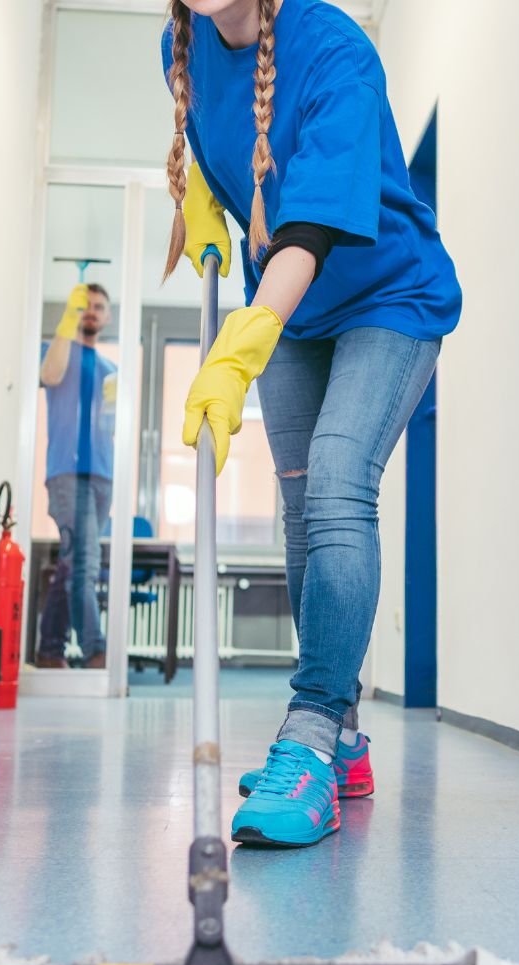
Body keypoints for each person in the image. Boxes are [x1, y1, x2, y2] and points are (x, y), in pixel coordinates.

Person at [162, 0, 462, 846]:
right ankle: (345, 740)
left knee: (337, 481)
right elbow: (239, 160)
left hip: (388, 300)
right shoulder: (179, 47)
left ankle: (311, 731)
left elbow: (312, 225)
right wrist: (213, 209)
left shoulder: (335, 50)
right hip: (296, 315)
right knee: (300, 508)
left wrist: (238, 346)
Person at [37, 283, 118, 669]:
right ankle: (95, 650)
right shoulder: (59, 352)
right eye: (84, 306)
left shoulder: (110, 370)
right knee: (84, 560)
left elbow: (110, 424)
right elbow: (49, 376)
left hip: (102, 476)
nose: (91, 311)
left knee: (72, 563)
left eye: (98, 307)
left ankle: (49, 650)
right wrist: (67, 316)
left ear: (107, 317)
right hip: (68, 473)